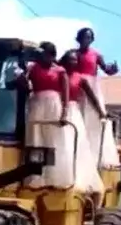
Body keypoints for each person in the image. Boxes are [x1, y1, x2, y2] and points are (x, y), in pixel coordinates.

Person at [23, 42, 81, 189]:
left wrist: (65, 112)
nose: (41, 57)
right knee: (36, 139)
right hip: (36, 104)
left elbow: (66, 94)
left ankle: (54, 177)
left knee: (53, 141)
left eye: (44, 54)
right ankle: (36, 178)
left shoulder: (60, 71)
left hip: (54, 106)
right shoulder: (32, 68)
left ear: (51, 55)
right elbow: (24, 83)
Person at [57, 49, 106, 193]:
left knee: (73, 145)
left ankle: (74, 177)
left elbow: (92, 97)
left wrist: (101, 111)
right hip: (55, 109)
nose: (73, 62)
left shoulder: (80, 78)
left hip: (72, 111)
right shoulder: (58, 73)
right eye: (70, 59)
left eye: (76, 60)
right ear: (64, 61)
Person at [74, 28, 120, 169]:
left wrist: (114, 69)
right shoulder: (73, 54)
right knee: (79, 117)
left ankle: (95, 155)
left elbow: (106, 69)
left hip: (92, 86)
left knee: (94, 119)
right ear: (79, 39)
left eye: (89, 37)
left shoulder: (96, 55)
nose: (86, 40)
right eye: (84, 37)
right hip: (78, 86)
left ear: (92, 39)